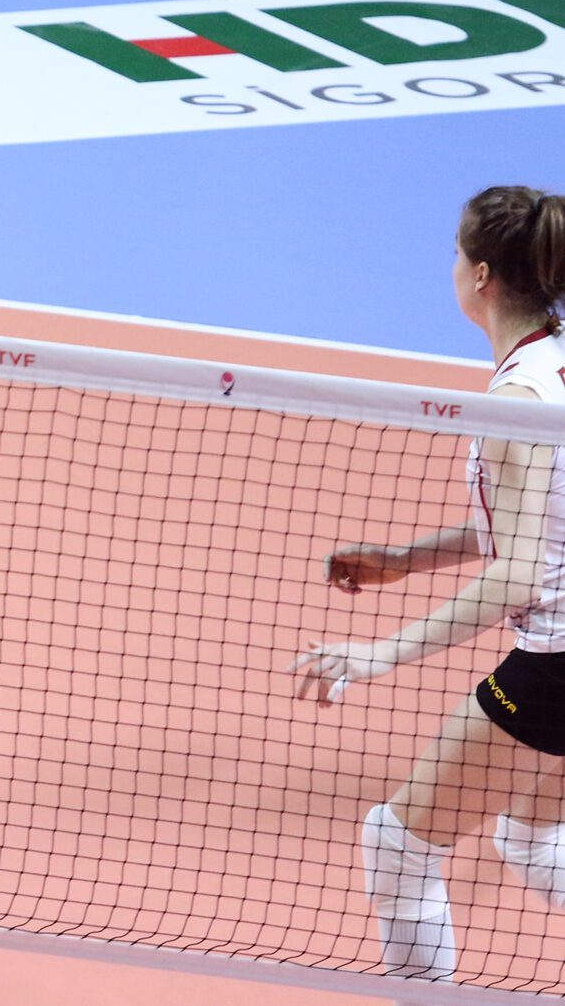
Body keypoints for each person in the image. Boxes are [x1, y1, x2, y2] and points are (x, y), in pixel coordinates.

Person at [293, 186, 565, 985]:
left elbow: (518, 568)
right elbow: (542, 519)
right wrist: (406, 558)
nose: (449, 265)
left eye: (455, 252)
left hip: (557, 663)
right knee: (529, 836)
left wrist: (381, 652)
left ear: (481, 275)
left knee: (397, 840)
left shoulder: (516, 399)